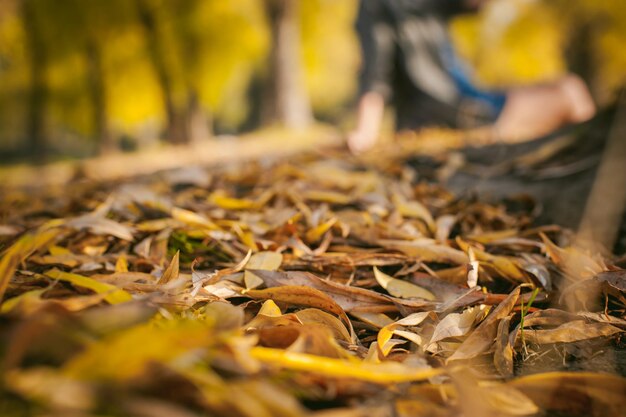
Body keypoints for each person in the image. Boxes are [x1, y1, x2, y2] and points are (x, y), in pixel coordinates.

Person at [347, 0, 596, 154]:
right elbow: (374, 75)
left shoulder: (426, 5)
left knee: (568, 88)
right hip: (453, 111)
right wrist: (365, 132)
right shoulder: (380, 4)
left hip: (469, 96)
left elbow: (471, 4)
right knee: (570, 91)